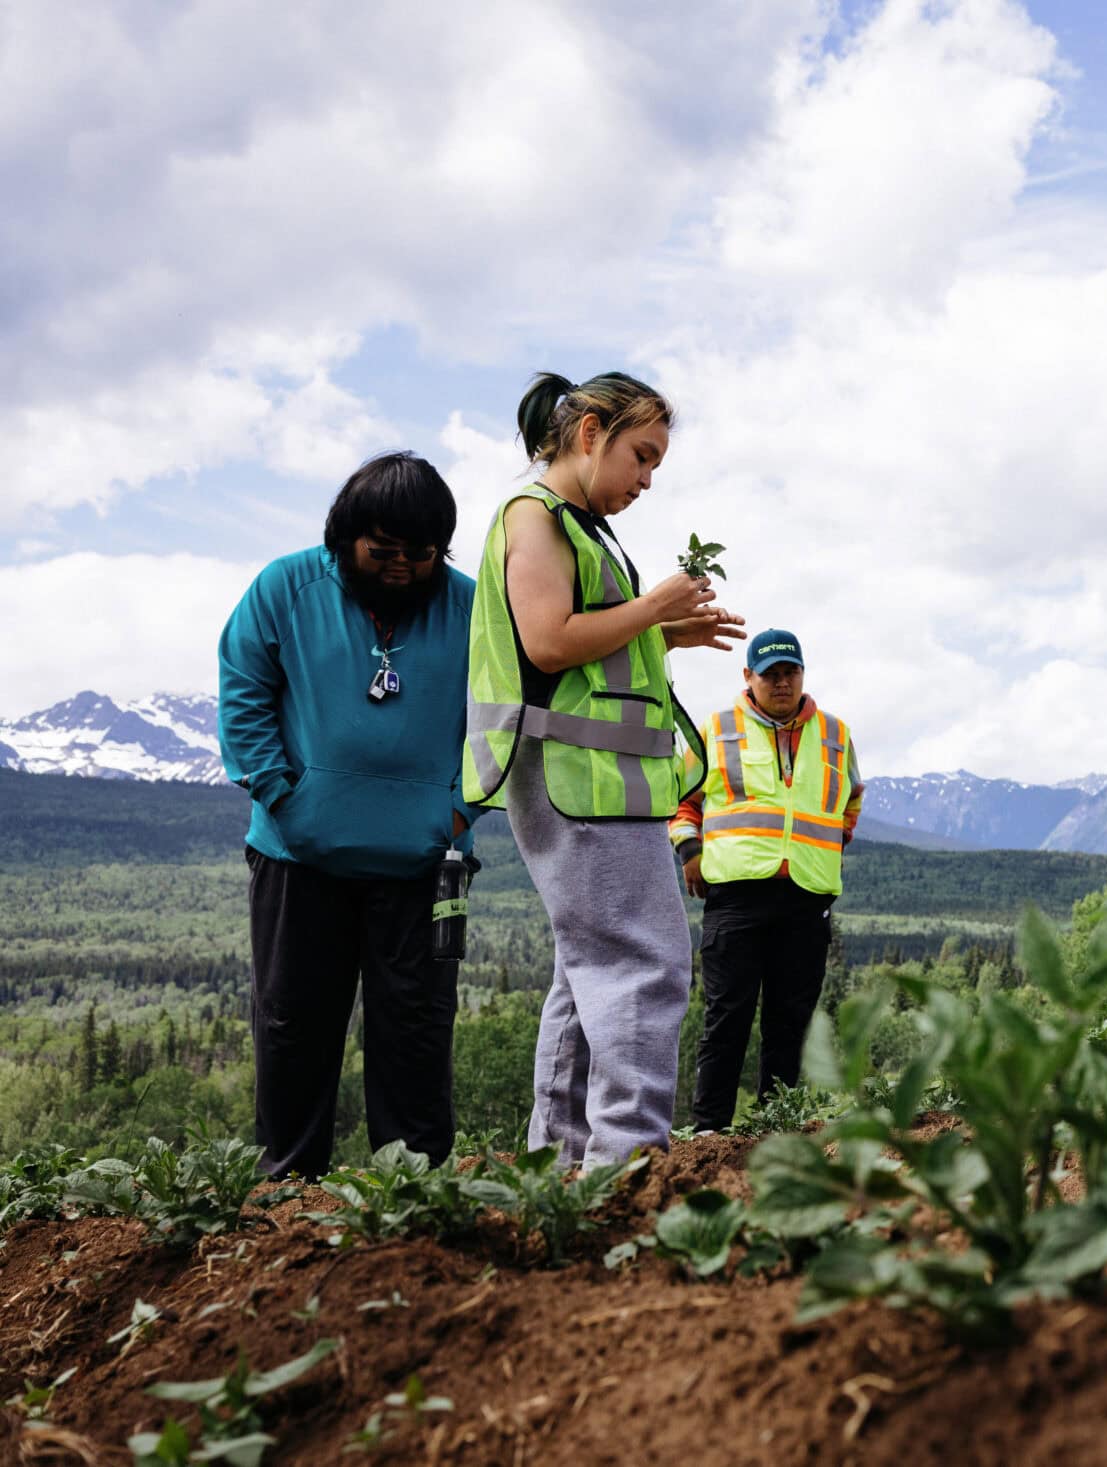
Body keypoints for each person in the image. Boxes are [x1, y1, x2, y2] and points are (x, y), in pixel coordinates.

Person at [462, 371, 742, 1168]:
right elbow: (547, 640)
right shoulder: (536, 518)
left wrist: (665, 634)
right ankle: (625, 1160)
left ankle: (563, 1158)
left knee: (589, 971)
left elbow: (583, 649)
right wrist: (653, 608)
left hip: (591, 780)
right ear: (589, 432)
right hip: (577, 782)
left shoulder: (577, 527)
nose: (645, 480)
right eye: (641, 456)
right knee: (645, 963)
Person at [217, 451, 483, 1178]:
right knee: (293, 1025)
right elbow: (243, 692)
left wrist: (455, 816)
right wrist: (281, 795)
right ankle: (286, 1185)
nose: (400, 568)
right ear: (345, 535)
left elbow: (501, 722)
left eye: (421, 554)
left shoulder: (472, 607)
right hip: (297, 857)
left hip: (425, 863)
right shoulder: (284, 587)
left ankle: (415, 1183)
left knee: (418, 1029)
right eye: (383, 550)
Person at [669, 630, 863, 1127]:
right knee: (726, 1020)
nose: (781, 682)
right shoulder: (715, 728)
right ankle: (710, 1133)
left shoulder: (837, 734)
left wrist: (829, 846)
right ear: (748, 677)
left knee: (789, 1023)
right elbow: (679, 799)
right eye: (770, 674)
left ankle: (777, 1128)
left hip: (807, 897)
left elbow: (851, 800)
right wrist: (690, 851)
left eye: (790, 672)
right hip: (735, 897)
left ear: (802, 674)